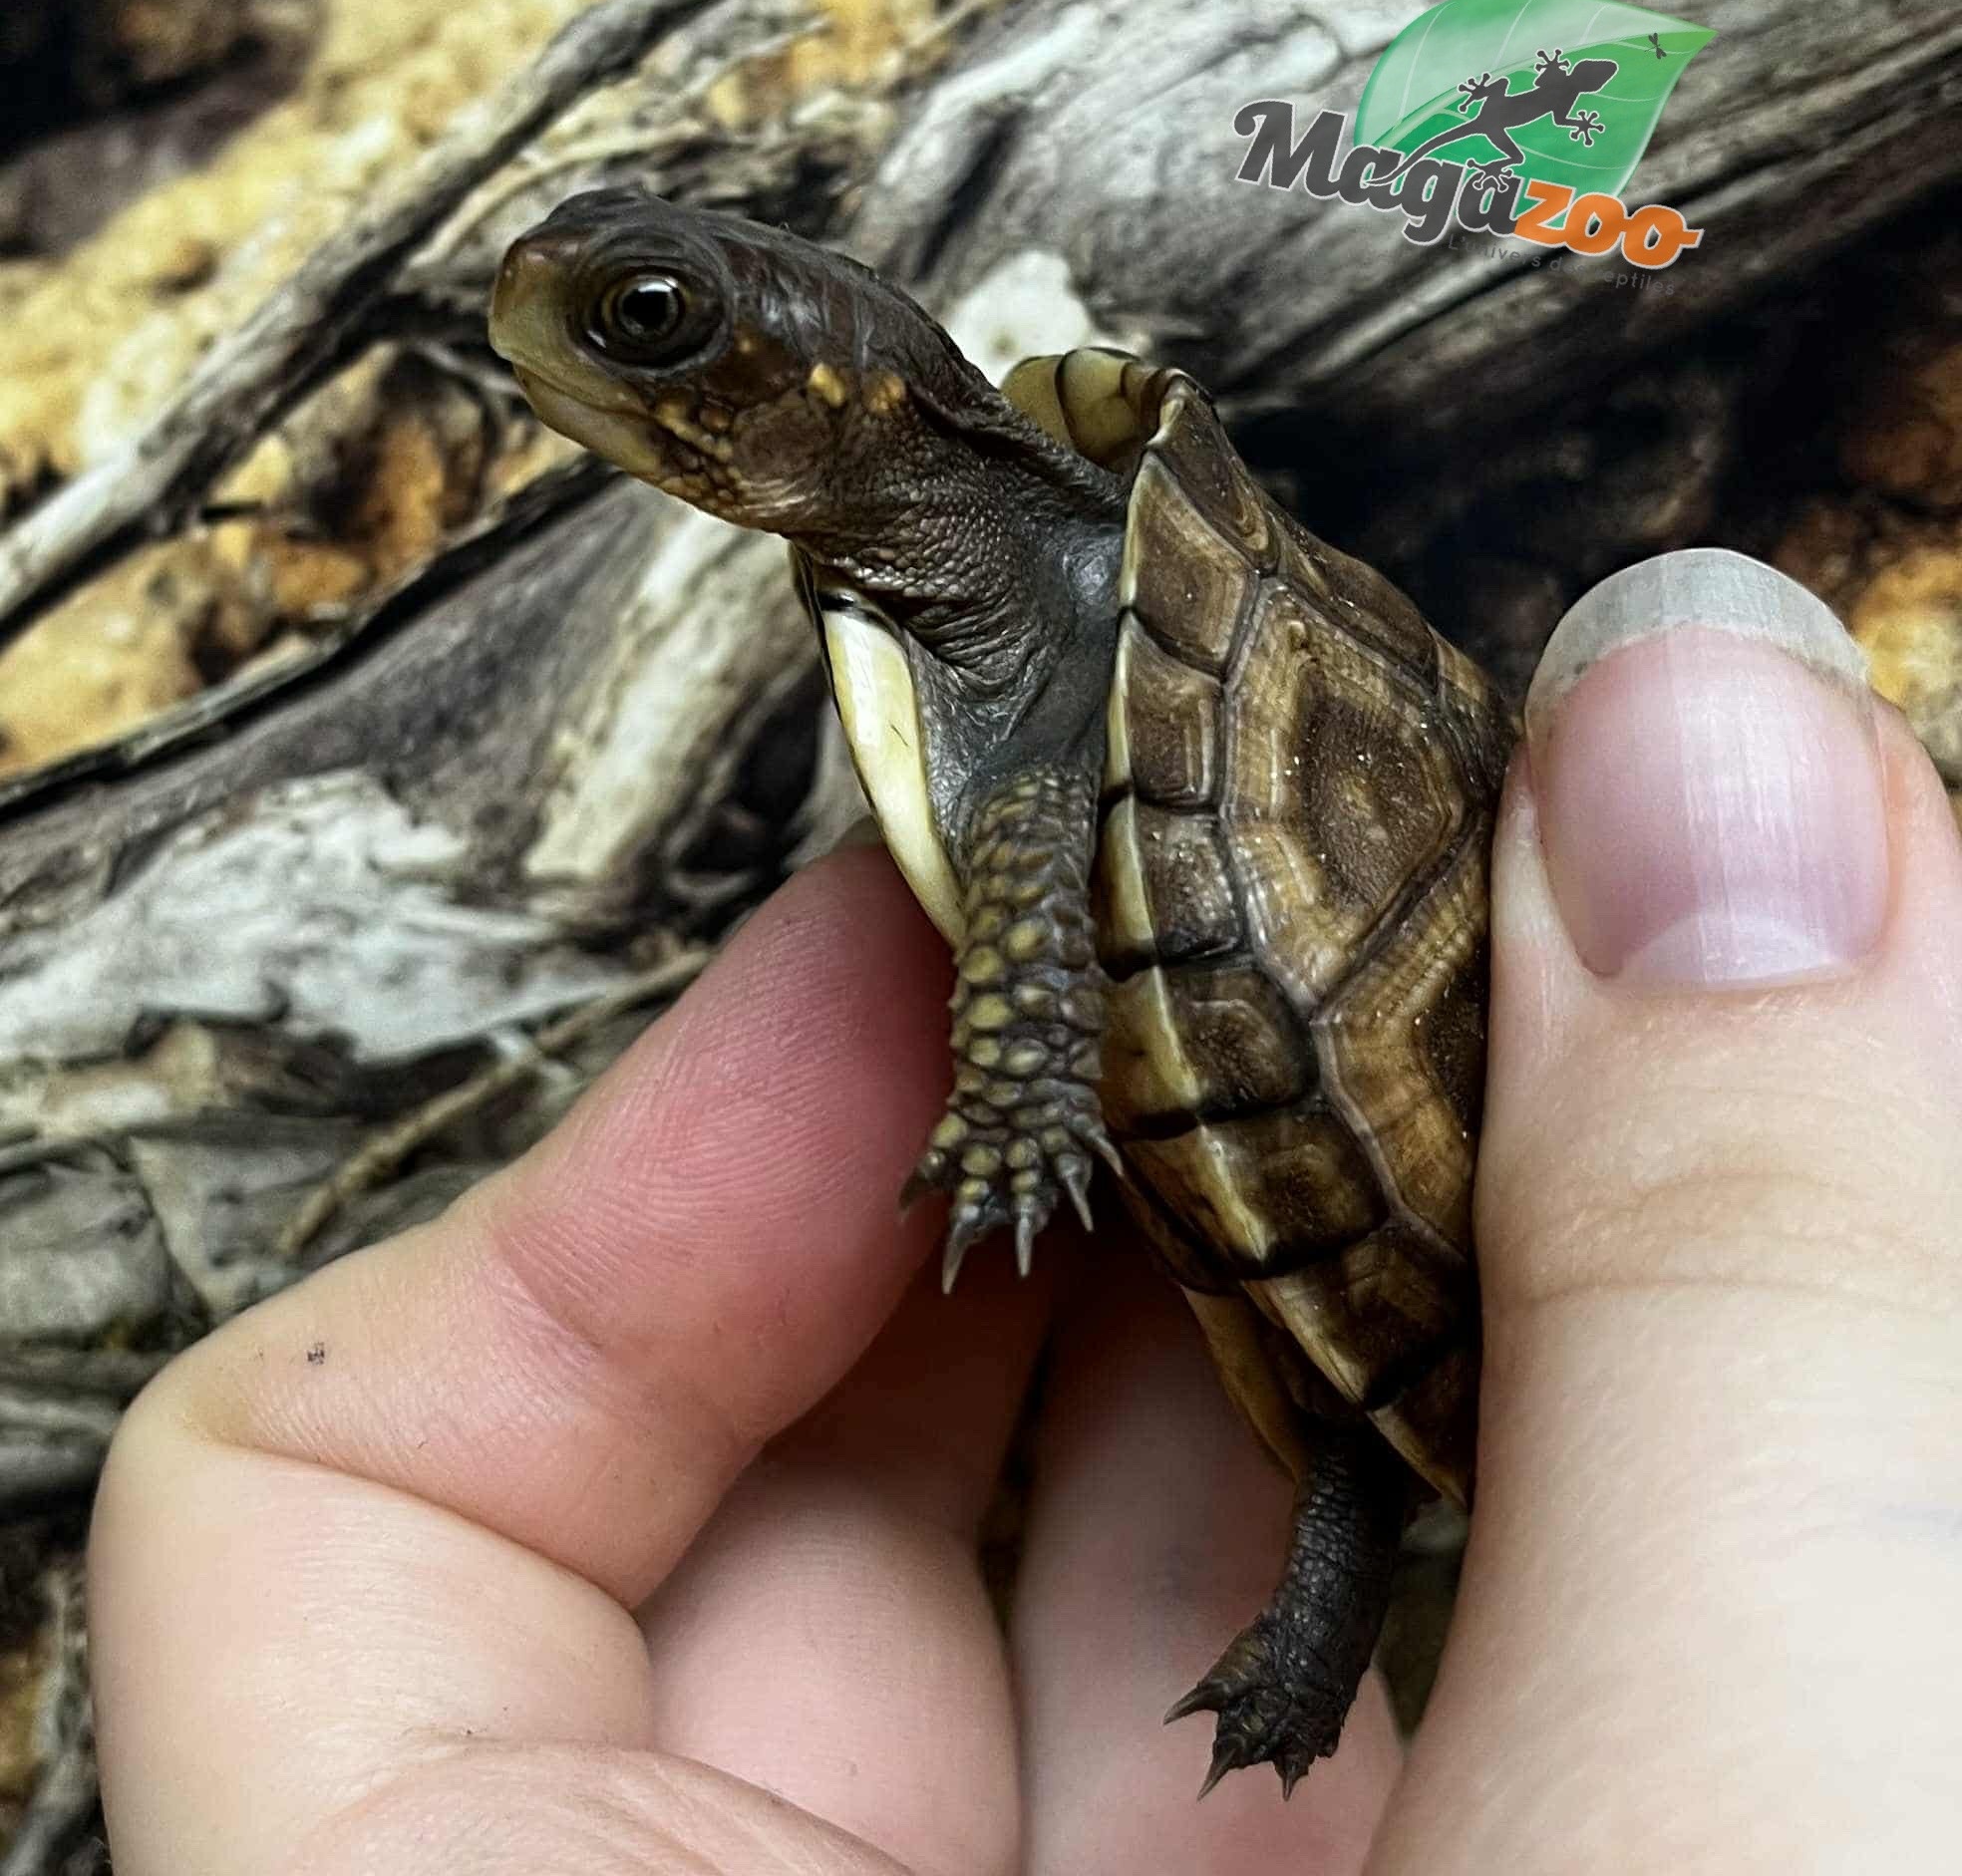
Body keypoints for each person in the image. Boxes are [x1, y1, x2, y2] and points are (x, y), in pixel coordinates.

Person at [88, 550, 1962, 1873]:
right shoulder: (1007, 629)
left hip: (1410, 1148)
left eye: (654, 324)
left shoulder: (1048, 668)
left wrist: (1024, 1090)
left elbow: (1047, 872)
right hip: (1315, 994)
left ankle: (1309, 1666)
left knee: (1345, 1459)